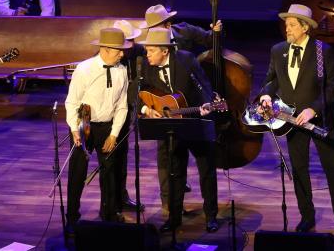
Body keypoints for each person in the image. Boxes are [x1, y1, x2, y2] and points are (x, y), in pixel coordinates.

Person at [259, 3, 334, 235]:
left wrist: (314, 109)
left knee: (332, 169)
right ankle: (307, 217)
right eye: (286, 25)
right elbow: (271, 80)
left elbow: (331, 88)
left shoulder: (323, 51)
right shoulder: (278, 50)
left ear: (305, 28)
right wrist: (265, 95)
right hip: (292, 121)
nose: (287, 29)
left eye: (292, 25)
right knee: (299, 169)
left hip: (320, 121)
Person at [138, 27, 219, 233]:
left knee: (206, 171)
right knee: (175, 172)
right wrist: (147, 109)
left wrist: (206, 106)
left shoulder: (186, 60)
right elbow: (139, 91)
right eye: (146, 50)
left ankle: (211, 216)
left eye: (151, 51)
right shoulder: (148, 67)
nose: (147, 55)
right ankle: (174, 219)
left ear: (165, 51)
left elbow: (204, 86)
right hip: (171, 125)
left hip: (194, 120)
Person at [65, 26, 131, 226]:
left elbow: (122, 106)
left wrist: (114, 134)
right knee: (77, 173)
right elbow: (72, 102)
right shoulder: (84, 69)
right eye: (119, 50)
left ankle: (109, 215)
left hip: (107, 128)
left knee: (110, 173)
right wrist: (74, 129)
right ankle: (72, 218)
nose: (123, 53)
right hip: (84, 125)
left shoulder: (122, 71)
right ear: (106, 50)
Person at [111, 19, 143, 213]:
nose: (129, 45)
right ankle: (111, 202)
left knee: (123, 157)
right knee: (112, 159)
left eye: (131, 40)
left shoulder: (138, 52)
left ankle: (122, 197)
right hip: (111, 112)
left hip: (130, 109)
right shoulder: (107, 56)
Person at [137, 3, 220, 54]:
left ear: (168, 25)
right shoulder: (149, 44)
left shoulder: (185, 30)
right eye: (151, 29)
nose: (153, 33)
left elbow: (209, 39)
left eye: (157, 29)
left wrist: (216, 31)